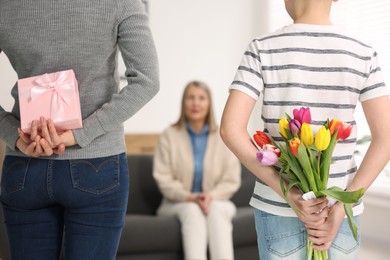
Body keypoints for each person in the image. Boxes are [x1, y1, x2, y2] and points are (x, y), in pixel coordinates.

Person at [220, 0, 390, 259]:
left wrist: (291, 195)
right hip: (340, 212)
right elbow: (386, 138)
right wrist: (342, 205)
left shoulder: (262, 48)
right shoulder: (362, 52)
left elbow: (230, 130)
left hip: (278, 207)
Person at [0, 0, 159, 259]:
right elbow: (147, 81)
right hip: (97, 164)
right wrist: (78, 134)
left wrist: (15, 137)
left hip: (25, 166)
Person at [153, 81, 241, 260]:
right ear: (183, 103)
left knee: (216, 210)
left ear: (209, 103)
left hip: (217, 200)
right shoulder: (169, 136)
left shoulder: (223, 137)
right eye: (190, 98)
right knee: (193, 211)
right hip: (176, 203)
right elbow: (164, 178)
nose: (195, 103)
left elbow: (231, 179)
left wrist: (211, 196)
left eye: (201, 98)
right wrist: (189, 197)